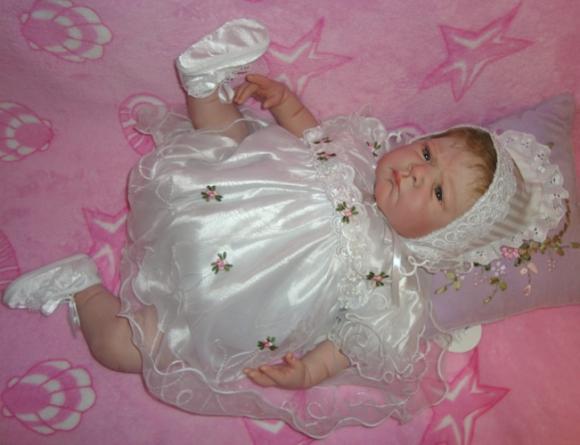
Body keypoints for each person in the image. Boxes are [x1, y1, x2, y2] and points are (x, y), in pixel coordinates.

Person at [2, 18, 568, 437]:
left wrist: (308, 373)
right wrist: (285, 101)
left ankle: (81, 287)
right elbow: (310, 133)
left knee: (125, 348)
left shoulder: (393, 283)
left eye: (437, 193)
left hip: (216, 311)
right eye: (427, 153)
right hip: (225, 194)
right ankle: (204, 84)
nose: (418, 172)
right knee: (227, 137)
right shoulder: (357, 157)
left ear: (445, 240)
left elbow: (345, 345)